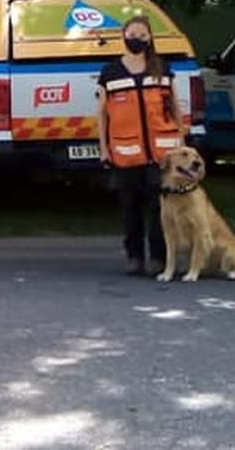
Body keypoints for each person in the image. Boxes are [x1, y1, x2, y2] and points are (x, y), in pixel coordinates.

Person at [96, 15, 184, 277]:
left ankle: (159, 257)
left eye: (142, 35)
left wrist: (182, 141)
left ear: (149, 39)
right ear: (123, 37)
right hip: (125, 154)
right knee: (130, 208)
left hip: (161, 154)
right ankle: (134, 257)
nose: (137, 39)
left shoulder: (161, 68)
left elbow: (176, 107)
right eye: (132, 34)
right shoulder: (110, 72)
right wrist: (103, 148)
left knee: (160, 209)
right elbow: (102, 114)